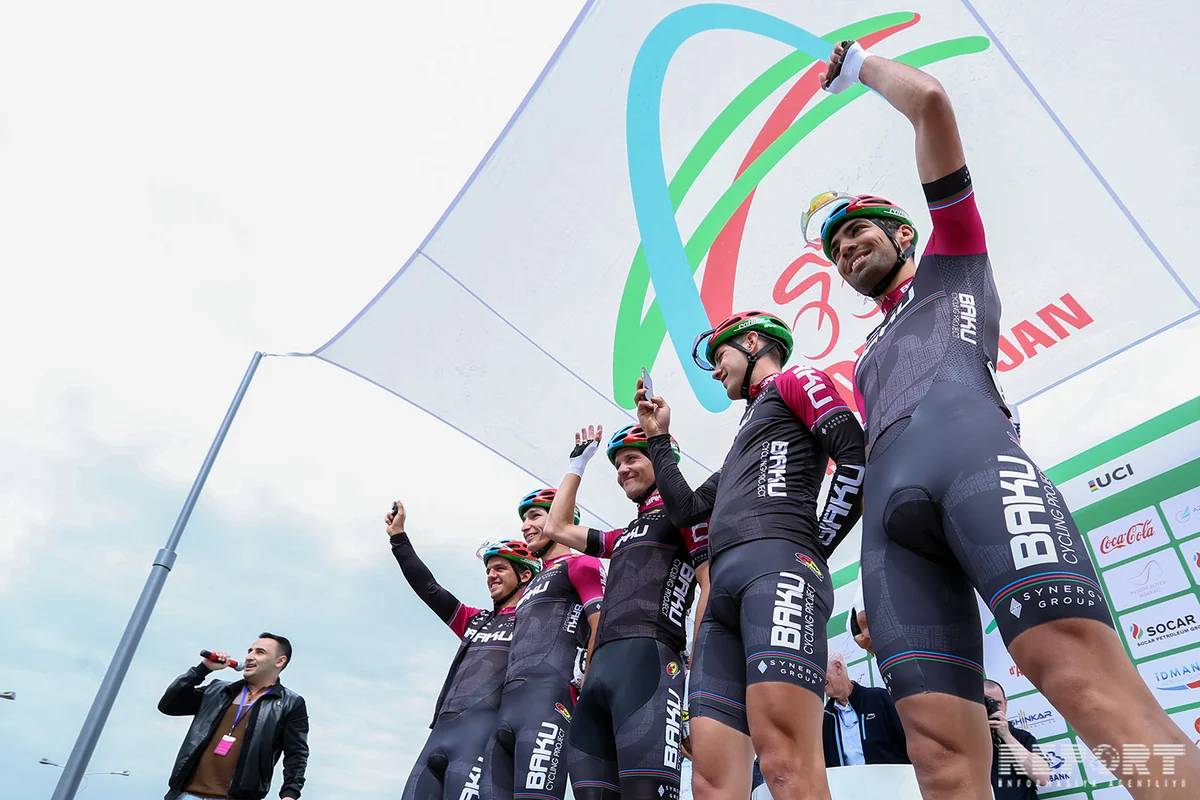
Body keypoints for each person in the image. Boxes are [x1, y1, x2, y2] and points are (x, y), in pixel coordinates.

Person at [814, 40, 1200, 798]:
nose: (846, 248)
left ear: (903, 235)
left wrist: (859, 66)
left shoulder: (953, 262)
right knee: (939, 759)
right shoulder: (861, 359)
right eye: (835, 248)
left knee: (1088, 689)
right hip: (891, 534)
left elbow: (930, 103)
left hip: (975, 468)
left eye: (858, 231)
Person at [636, 311, 867, 800]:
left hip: (780, 571)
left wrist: (812, 545)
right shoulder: (746, 437)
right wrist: (657, 438)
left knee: (785, 763)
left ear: (754, 343)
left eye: (720, 357)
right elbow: (687, 509)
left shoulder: (795, 379)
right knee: (711, 781)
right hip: (722, 600)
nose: (715, 371)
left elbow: (855, 456)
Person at [541, 423, 710, 800]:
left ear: (659, 461)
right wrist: (578, 464)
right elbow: (557, 527)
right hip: (601, 673)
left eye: (632, 458)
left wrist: (696, 682)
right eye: (617, 464)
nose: (622, 470)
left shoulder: (686, 516)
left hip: (651, 664)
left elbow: (709, 589)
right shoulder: (622, 535)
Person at [388, 500, 539, 800]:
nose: (491, 575)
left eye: (500, 568)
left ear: (524, 575)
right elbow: (429, 588)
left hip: (482, 739)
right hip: (438, 735)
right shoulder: (474, 620)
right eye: (488, 570)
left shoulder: (536, 623)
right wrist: (398, 538)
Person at [485, 488, 605, 800]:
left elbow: (601, 627)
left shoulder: (582, 564)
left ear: (561, 516)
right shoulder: (528, 587)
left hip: (550, 702)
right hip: (507, 709)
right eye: (524, 519)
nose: (525, 526)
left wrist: (588, 684)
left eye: (534, 516)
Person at [157, 633, 307, 800]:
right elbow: (169, 705)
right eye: (250, 651)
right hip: (186, 795)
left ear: (279, 661)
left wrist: (290, 794)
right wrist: (203, 669)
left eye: (260, 652)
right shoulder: (217, 690)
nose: (250, 657)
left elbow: (296, 754)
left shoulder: (290, 703)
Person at [822, 651, 907, 768]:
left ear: (838, 667)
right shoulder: (825, 719)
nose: (817, 678)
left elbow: (907, 740)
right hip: (848, 780)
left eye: (819, 671)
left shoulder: (880, 699)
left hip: (893, 778)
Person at [985, 680, 1050, 800]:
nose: (992, 708)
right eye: (986, 703)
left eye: (997, 703)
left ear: (1006, 704)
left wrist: (1006, 736)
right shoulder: (965, 742)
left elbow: (1042, 778)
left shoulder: (1021, 737)